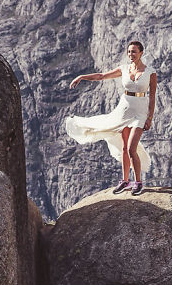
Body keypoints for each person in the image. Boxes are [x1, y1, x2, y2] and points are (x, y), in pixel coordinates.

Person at [66, 40, 157, 195]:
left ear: (141, 53)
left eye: (134, 51)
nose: (131, 54)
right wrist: (82, 76)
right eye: (129, 52)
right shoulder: (124, 69)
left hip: (140, 112)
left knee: (131, 148)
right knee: (124, 148)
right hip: (123, 110)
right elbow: (101, 76)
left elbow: (153, 96)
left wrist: (149, 118)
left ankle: (138, 182)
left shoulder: (150, 72)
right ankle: (125, 181)